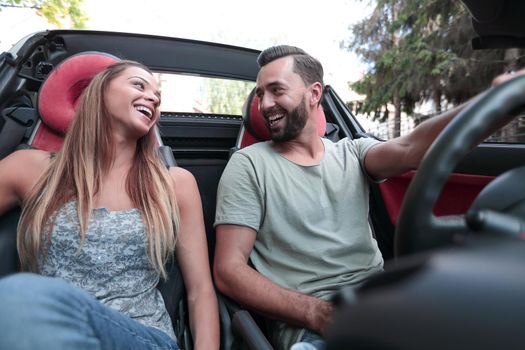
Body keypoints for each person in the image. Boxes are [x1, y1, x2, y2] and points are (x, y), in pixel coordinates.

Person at [213, 45, 524, 350]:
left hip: (383, 300)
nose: (265, 104)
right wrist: (318, 313)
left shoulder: (352, 151)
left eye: (276, 90)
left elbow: (411, 146)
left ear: (314, 93)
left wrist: (496, 101)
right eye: (260, 94)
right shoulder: (248, 164)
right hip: (312, 326)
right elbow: (229, 271)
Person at [0, 61, 219, 350]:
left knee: (21, 296)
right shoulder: (30, 168)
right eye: (139, 85)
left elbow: (200, 291)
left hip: (142, 338)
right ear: (99, 93)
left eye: (158, 96)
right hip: (46, 329)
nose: (153, 98)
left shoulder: (174, 183)